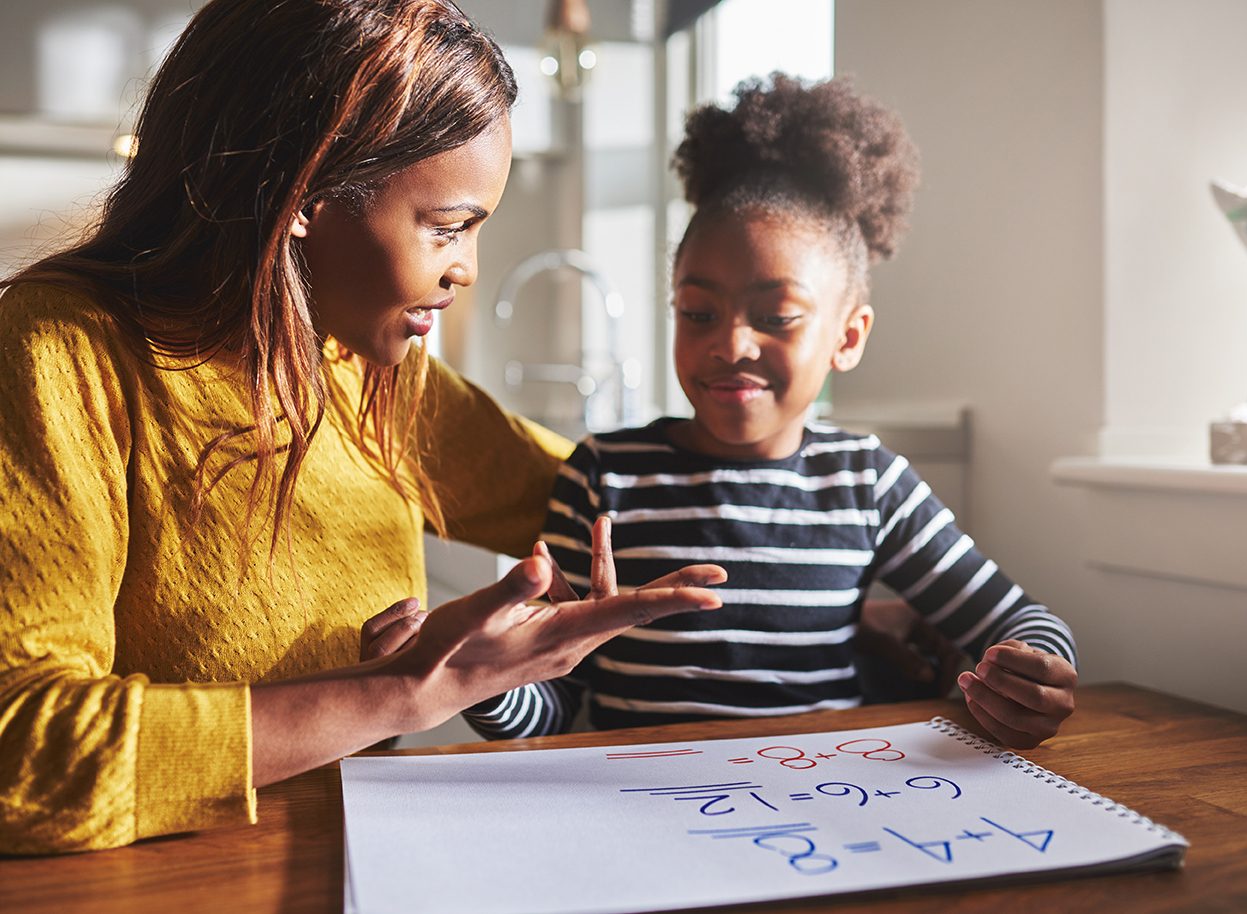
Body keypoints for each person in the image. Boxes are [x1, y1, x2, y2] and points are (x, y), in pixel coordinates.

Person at [0, 0, 727, 855]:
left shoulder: (363, 367)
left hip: (353, 862)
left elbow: (622, 504)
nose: (466, 270)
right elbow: (24, 754)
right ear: (303, 191)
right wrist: (404, 690)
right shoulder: (61, 348)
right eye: (447, 226)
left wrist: (877, 595)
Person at [464, 74, 1079, 749]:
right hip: (638, 809)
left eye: (775, 317)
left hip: (821, 802)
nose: (729, 344)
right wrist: (484, 681)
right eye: (698, 312)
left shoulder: (865, 485)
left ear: (847, 337)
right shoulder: (604, 475)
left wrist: (1032, 675)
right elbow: (552, 702)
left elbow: (1019, 620)